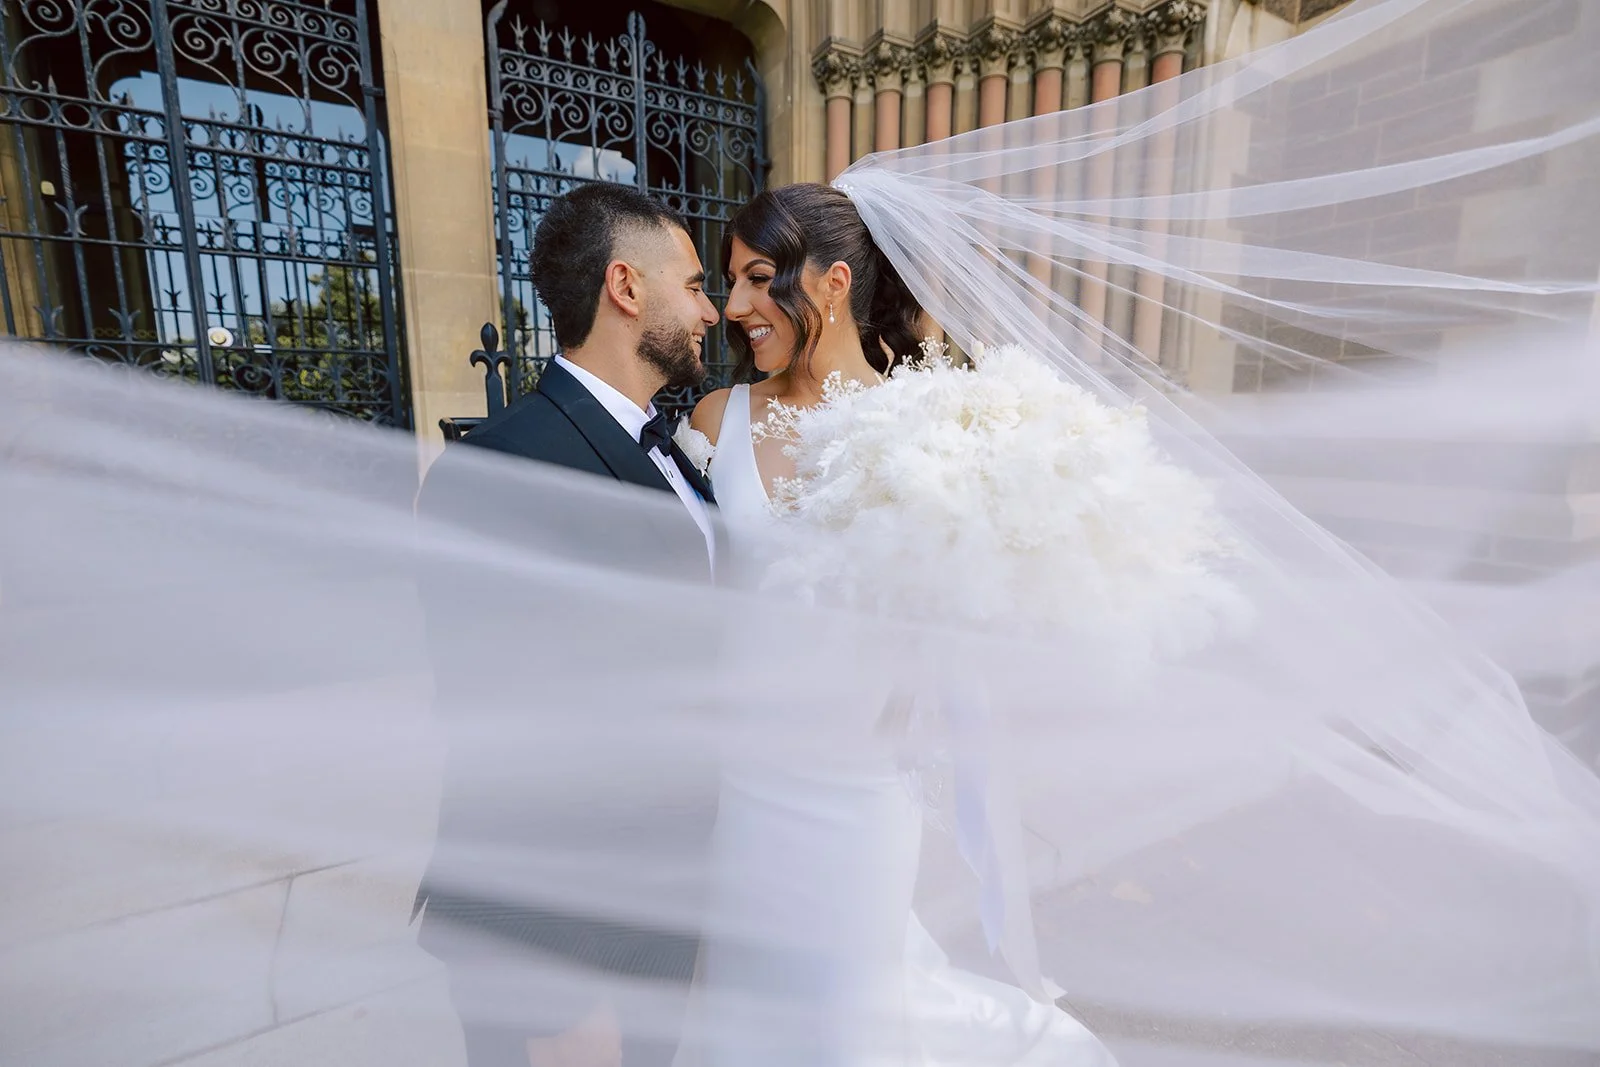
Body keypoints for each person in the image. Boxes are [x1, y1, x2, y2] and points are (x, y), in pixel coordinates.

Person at [684, 183, 1119, 1066]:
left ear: (834, 283)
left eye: (761, 279)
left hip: (856, 793)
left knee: (847, 1023)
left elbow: (979, 612)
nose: (734, 307)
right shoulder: (717, 419)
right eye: (731, 281)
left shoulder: (933, 429)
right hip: (744, 792)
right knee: (747, 1015)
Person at [413, 182, 721, 1067]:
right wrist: (566, 984)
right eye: (695, 284)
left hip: (665, 896)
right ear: (627, 287)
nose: (710, 311)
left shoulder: (673, 455)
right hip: (567, 934)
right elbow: (509, 746)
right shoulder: (502, 469)